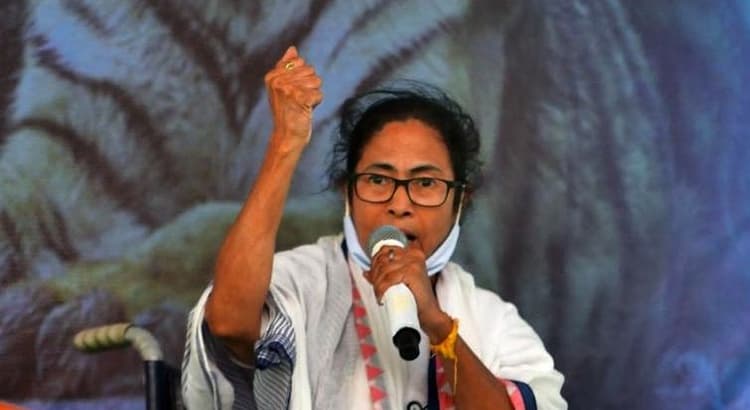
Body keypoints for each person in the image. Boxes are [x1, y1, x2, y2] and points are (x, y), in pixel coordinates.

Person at [181, 46, 566, 410]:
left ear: (460, 201)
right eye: (378, 180)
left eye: (425, 183)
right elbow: (229, 324)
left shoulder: (492, 321)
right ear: (347, 193)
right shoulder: (302, 281)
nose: (399, 204)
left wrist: (438, 326)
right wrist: (286, 143)